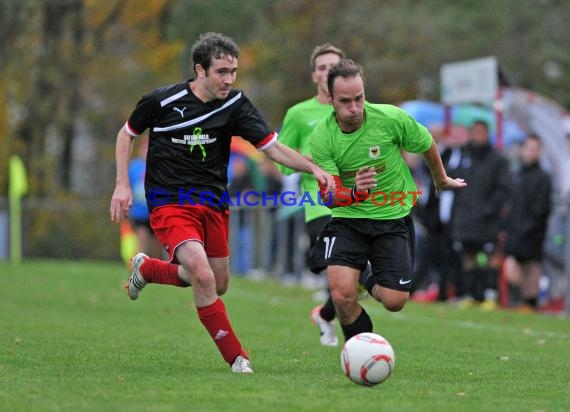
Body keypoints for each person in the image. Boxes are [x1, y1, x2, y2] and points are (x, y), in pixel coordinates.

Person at [109, 32, 335, 373]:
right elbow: (127, 134)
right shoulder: (161, 101)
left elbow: (273, 148)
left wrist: (313, 167)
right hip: (170, 201)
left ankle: (148, 268)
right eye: (221, 72)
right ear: (200, 70)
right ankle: (237, 357)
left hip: (213, 203)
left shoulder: (236, 105)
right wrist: (122, 185)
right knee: (201, 274)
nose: (229, 79)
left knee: (218, 282)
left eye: (234, 72)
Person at [309, 59, 466, 342]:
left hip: (392, 219)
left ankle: (364, 276)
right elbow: (329, 195)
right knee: (342, 295)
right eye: (345, 101)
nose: (354, 108)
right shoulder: (322, 136)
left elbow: (426, 142)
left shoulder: (390, 118)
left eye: (359, 98)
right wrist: (355, 191)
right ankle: (361, 350)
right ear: (329, 98)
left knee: (395, 301)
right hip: (349, 220)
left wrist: (440, 178)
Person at [276, 43, 346, 346]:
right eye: (322, 67)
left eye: (334, 66)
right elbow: (283, 165)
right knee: (345, 274)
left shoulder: (356, 108)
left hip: (359, 205)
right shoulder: (299, 113)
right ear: (314, 75)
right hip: (320, 208)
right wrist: (310, 161)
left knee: (360, 282)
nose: (328, 71)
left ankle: (326, 315)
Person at [449, 120, 510, 311]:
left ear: (487, 133)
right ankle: (470, 295)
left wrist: (489, 209)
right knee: (468, 256)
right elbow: (452, 180)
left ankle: (490, 295)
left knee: (490, 256)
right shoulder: (463, 155)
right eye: (474, 132)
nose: (477, 136)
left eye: (481, 132)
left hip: (487, 220)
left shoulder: (498, 160)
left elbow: (503, 189)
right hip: (465, 218)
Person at [503, 134, 552, 310]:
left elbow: (541, 208)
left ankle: (529, 303)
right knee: (513, 267)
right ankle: (522, 300)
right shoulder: (516, 174)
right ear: (523, 150)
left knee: (531, 266)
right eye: (529, 148)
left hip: (533, 231)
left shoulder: (543, 177)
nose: (532, 152)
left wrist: (529, 227)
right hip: (515, 230)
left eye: (535, 149)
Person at [128, 135, 163, 258]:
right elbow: (128, 188)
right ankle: (136, 273)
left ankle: (158, 275)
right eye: (145, 147)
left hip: (156, 212)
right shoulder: (134, 167)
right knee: (142, 240)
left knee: (157, 247)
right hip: (139, 213)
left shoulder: (160, 167)